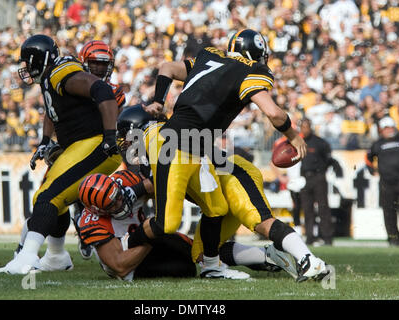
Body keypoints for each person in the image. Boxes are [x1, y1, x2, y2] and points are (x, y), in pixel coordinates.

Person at [136, 29, 327, 281]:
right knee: (166, 223)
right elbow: (274, 113)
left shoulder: (209, 57)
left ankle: (212, 268)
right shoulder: (250, 72)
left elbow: (167, 67)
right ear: (257, 54)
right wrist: (294, 136)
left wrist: (159, 100)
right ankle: (126, 242)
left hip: (196, 146)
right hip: (177, 143)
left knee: (216, 208)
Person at [118, 105, 327, 282]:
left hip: (234, 176)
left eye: (126, 139)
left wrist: (131, 194)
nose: (126, 145)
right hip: (218, 189)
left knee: (260, 221)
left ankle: (309, 260)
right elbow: (161, 179)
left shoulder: (161, 138)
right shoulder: (156, 149)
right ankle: (269, 255)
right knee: (201, 254)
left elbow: (170, 169)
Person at [0, 34, 122, 275]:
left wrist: (110, 138)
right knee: (46, 199)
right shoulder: (50, 79)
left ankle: (27, 257)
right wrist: (44, 141)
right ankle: (56, 256)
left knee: (48, 198)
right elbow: (52, 111)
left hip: (96, 145)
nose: (26, 68)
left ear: (41, 59)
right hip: (80, 145)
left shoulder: (60, 72)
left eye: (29, 62)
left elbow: (102, 90)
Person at [75, 170, 197, 280]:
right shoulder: (92, 223)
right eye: (111, 205)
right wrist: (150, 238)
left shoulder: (125, 181)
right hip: (130, 262)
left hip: (146, 236)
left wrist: (138, 189)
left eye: (118, 196)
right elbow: (120, 267)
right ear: (98, 210)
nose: (120, 203)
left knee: (190, 250)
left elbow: (164, 180)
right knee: (185, 268)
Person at [75, 39, 126, 259]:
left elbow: (117, 120)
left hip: (106, 147)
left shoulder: (116, 91)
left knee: (106, 193)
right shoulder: (75, 87)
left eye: (103, 64)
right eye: (94, 63)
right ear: (84, 63)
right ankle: (54, 249)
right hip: (78, 145)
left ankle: (102, 234)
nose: (98, 68)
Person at [365, 117, 399, 246]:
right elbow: (368, 158)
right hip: (386, 183)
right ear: (382, 130)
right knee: (388, 211)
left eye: (391, 127)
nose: (389, 130)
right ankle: (393, 238)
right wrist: (372, 170)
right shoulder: (377, 144)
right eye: (386, 128)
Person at [299, 118, 333, 246]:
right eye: (302, 127)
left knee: (323, 207)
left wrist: (321, 172)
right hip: (304, 178)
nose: (304, 130)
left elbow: (329, 159)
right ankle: (309, 237)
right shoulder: (298, 142)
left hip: (318, 177)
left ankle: (327, 237)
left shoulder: (320, 142)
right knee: (307, 209)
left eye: (306, 127)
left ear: (310, 127)